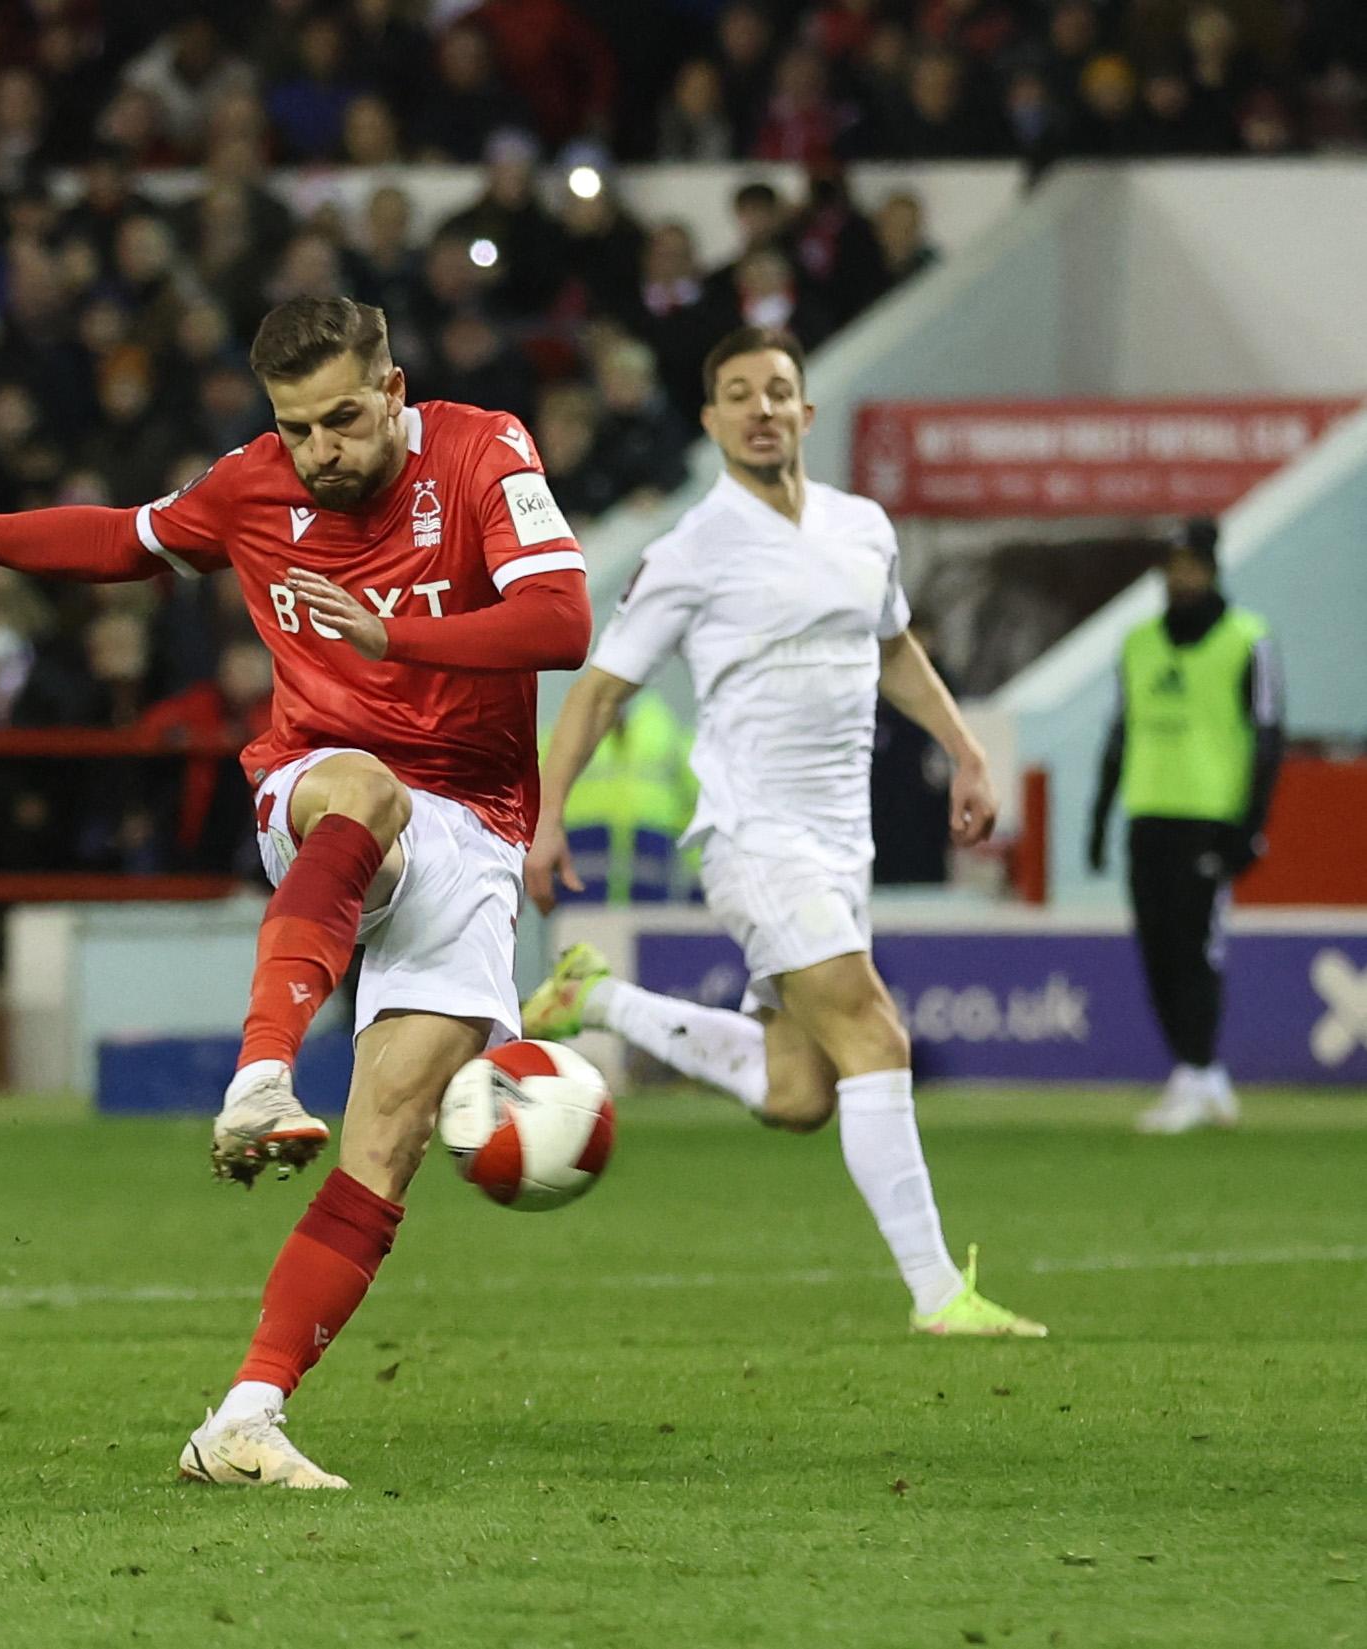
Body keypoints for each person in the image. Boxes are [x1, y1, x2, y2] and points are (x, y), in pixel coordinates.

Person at [0, 294, 593, 1489]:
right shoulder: (253, 483)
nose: (318, 452)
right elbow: (120, 538)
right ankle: (260, 1069)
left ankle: (244, 1416)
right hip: (317, 789)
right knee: (363, 789)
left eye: (340, 420)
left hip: (476, 830)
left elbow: (562, 620)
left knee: (388, 1136)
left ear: (392, 389)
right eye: (295, 428)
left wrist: (396, 639)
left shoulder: (486, 450)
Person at [522, 325, 1045, 1342]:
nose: (760, 407)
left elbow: (891, 646)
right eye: (736, 393)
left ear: (804, 412)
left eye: (776, 390)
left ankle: (596, 994)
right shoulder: (690, 549)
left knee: (800, 1090)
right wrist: (545, 819)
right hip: (752, 835)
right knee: (875, 1032)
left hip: (840, 841)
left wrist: (966, 750)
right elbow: (596, 693)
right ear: (712, 421)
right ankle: (941, 1294)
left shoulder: (861, 528)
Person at [1086, 519, 1284, 1134]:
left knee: (1197, 950)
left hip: (1209, 821)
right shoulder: (1139, 642)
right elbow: (1122, 732)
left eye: (1191, 564)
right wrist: (1099, 814)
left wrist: (1250, 824)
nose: (1181, 576)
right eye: (1172, 565)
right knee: (1158, 951)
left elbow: (1268, 738)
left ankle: (1196, 1070)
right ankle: (1199, 1074)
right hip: (1149, 815)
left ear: (1213, 567)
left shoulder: (1248, 640)